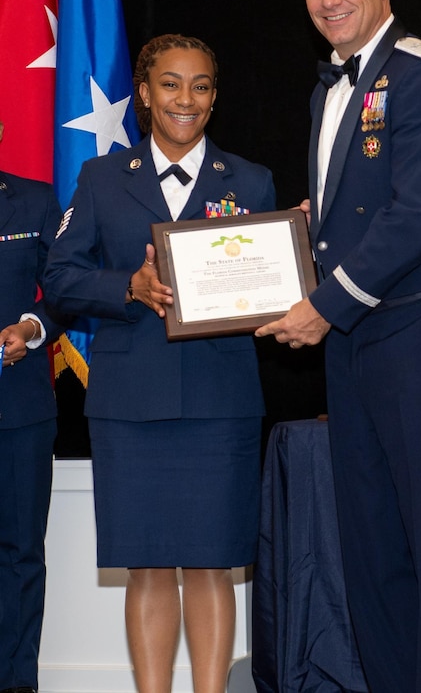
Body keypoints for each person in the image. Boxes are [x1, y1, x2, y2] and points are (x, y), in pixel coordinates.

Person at [255, 0, 421, 693]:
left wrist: (324, 304)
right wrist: (287, 236)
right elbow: (348, 209)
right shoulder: (330, 84)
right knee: (369, 539)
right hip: (354, 337)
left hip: (419, 325)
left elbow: (415, 215)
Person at [43, 34, 276, 693]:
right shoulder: (101, 178)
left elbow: (270, 283)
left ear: (214, 98)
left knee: (210, 566)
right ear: (143, 94)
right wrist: (128, 288)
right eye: (170, 84)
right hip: (130, 402)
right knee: (146, 565)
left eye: (200, 86)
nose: (185, 99)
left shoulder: (251, 180)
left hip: (219, 402)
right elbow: (59, 278)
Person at [0, 120, 67, 693]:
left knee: (21, 554)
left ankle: (17, 682)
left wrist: (32, 326)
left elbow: (65, 290)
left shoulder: (35, 201)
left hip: (19, 409)